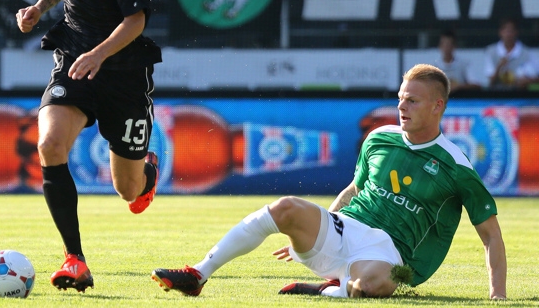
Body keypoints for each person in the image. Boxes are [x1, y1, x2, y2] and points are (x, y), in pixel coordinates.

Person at [152, 64, 507, 300]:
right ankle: (198, 273)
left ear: (437, 106)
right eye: (400, 98)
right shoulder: (380, 137)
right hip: (347, 229)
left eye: (412, 101)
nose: (402, 107)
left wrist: (498, 294)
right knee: (286, 207)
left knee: (371, 284)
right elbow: (354, 190)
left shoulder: (457, 167)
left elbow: (490, 233)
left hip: (394, 256)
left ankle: (329, 290)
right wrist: (325, 223)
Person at [15, 0, 162, 292]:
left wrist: (101, 54)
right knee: (50, 143)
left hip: (122, 74)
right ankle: (74, 259)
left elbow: (136, 20)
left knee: (128, 191)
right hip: (73, 61)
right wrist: (40, 8)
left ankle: (146, 174)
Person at [484, 17, 539, 89]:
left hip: (521, 96)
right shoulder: (491, 51)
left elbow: (536, 77)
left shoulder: (527, 53)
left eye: (511, 31)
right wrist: (499, 67)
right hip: (497, 96)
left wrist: (527, 81)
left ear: (516, 32)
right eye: (506, 31)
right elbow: (490, 82)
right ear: (500, 32)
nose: (508, 34)